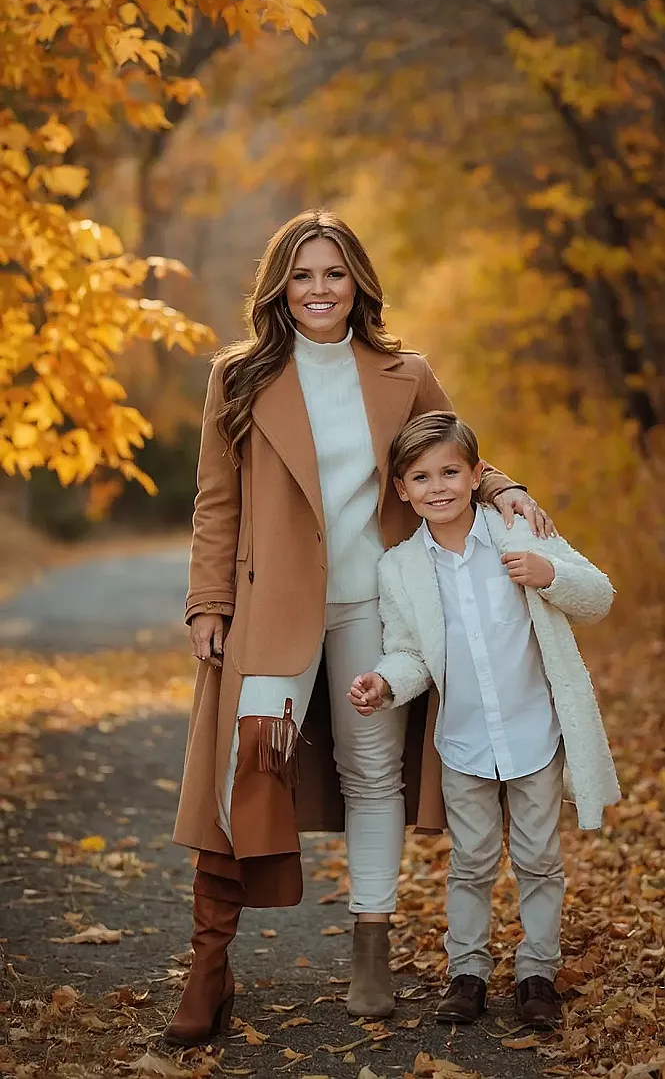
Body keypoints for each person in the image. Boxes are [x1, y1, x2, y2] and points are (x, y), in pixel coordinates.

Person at [166, 210, 554, 1047]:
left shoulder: (401, 372)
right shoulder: (236, 377)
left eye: (333, 274)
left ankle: (370, 948)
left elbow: (455, 453)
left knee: (371, 771)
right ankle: (210, 965)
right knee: (248, 766)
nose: (317, 290)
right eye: (302, 275)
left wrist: (508, 490)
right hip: (271, 602)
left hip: (378, 602)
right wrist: (207, 602)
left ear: (358, 285)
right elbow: (216, 501)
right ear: (280, 286)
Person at [349, 410, 621, 1029]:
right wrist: (384, 680)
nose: (437, 487)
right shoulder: (399, 568)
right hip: (464, 742)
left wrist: (549, 575)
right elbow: (411, 653)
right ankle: (467, 972)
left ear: (477, 476)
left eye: (450, 471)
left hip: (534, 735)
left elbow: (598, 595)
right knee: (470, 862)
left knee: (538, 859)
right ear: (402, 490)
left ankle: (537, 976)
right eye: (420, 477)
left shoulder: (517, 531)